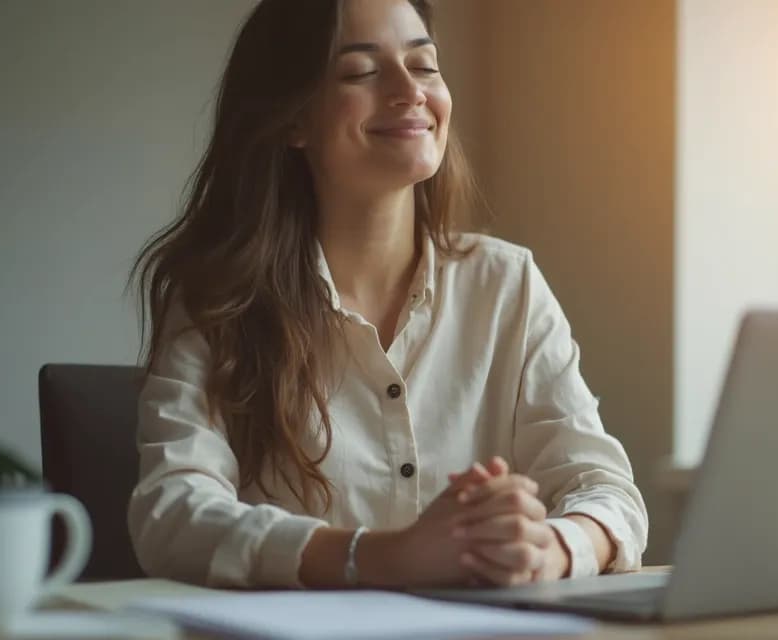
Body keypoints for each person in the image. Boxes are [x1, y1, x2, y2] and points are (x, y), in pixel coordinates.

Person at [126, 0, 647, 590]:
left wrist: (547, 546)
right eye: (361, 73)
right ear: (293, 118)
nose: (409, 91)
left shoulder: (506, 283)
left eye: (424, 65)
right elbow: (172, 515)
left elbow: (605, 488)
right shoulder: (221, 299)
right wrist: (381, 557)